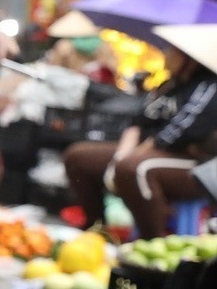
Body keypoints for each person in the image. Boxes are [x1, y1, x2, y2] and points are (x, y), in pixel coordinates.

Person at [62, 39, 217, 238]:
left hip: (196, 165)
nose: (166, 55)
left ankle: (152, 241)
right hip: (146, 153)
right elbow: (137, 122)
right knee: (79, 157)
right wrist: (119, 157)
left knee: (136, 168)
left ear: (190, 58)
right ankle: (97, 229)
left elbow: (181, 131)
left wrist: (128, 160)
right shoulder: (168, 86)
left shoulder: (209, 87)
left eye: (173, 51)